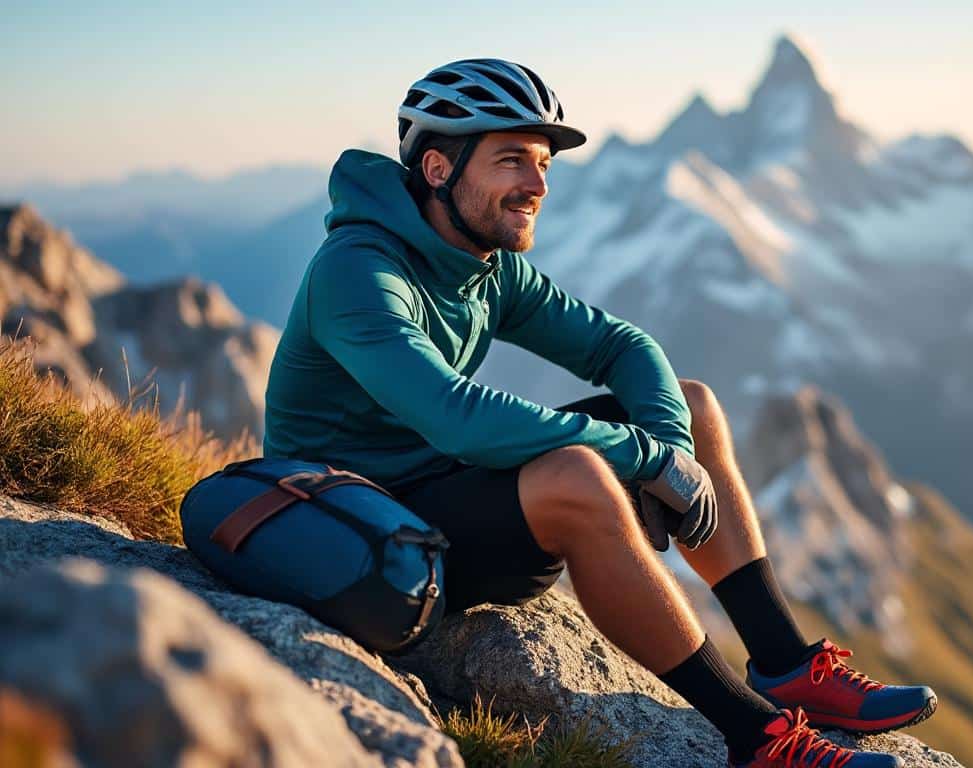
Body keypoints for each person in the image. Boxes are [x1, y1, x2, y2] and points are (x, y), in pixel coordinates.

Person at [263, 58, 936, 768]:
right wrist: (643, 459)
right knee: (578, 475)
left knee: (696, 403)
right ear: (436, 168)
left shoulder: (483, 263)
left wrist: (673, 447)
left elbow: (621, 345)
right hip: (360, 533)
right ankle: (758, 739)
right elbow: (455, 415)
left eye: (544, 163)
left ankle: (783, 663)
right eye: (512, 160)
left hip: (432, 494)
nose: (538, 184)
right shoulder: (360, 272)